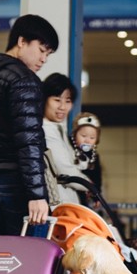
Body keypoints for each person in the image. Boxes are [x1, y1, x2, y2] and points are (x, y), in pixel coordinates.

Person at [0, 14, 58, 235]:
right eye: (41, 49)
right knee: (27, 260)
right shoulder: (23, 80)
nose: (44, 59)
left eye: (48, 54)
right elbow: (29, 141)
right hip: (15, 184)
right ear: (21, 42)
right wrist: (37, 194)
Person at [41, 73, 91, 204]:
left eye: (67, 101)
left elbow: (73, 163)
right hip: (54, 205)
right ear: (44, 99)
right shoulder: (44, 130)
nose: (62, 107)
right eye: (57, 100)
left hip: (67, 201)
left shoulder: (59, 128)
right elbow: (64, 169)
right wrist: (90, 186)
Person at [70, 112, 103, 207]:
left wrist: (97, 196)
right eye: (83, 136)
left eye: (92, 138)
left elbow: (97, 177)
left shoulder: (94, 157)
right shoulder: (69, 149)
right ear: (75, 135)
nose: (87, 140)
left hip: (84, 195)